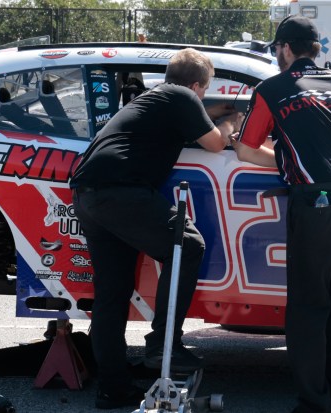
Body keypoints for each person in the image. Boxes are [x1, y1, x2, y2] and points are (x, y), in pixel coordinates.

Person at [70, 48, 241, 410]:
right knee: (188, 244)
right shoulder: (180, 96)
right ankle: (164, 344)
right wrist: (230, 123)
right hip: (120, 189)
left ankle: (113, 388)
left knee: (113, 292)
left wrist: (211, 116)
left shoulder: (156, 97)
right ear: (196, 85)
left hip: (89, 191)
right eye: (203, 92)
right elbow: (214, 142)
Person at [231, 15, 331, 413]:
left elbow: (244, 149)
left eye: (276, 49)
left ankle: (314, 404)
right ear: (315, 50)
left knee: (309, 307)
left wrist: (281, 157)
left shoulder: (272, 88)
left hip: (317, 200)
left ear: (285, 48)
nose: (276, 55)